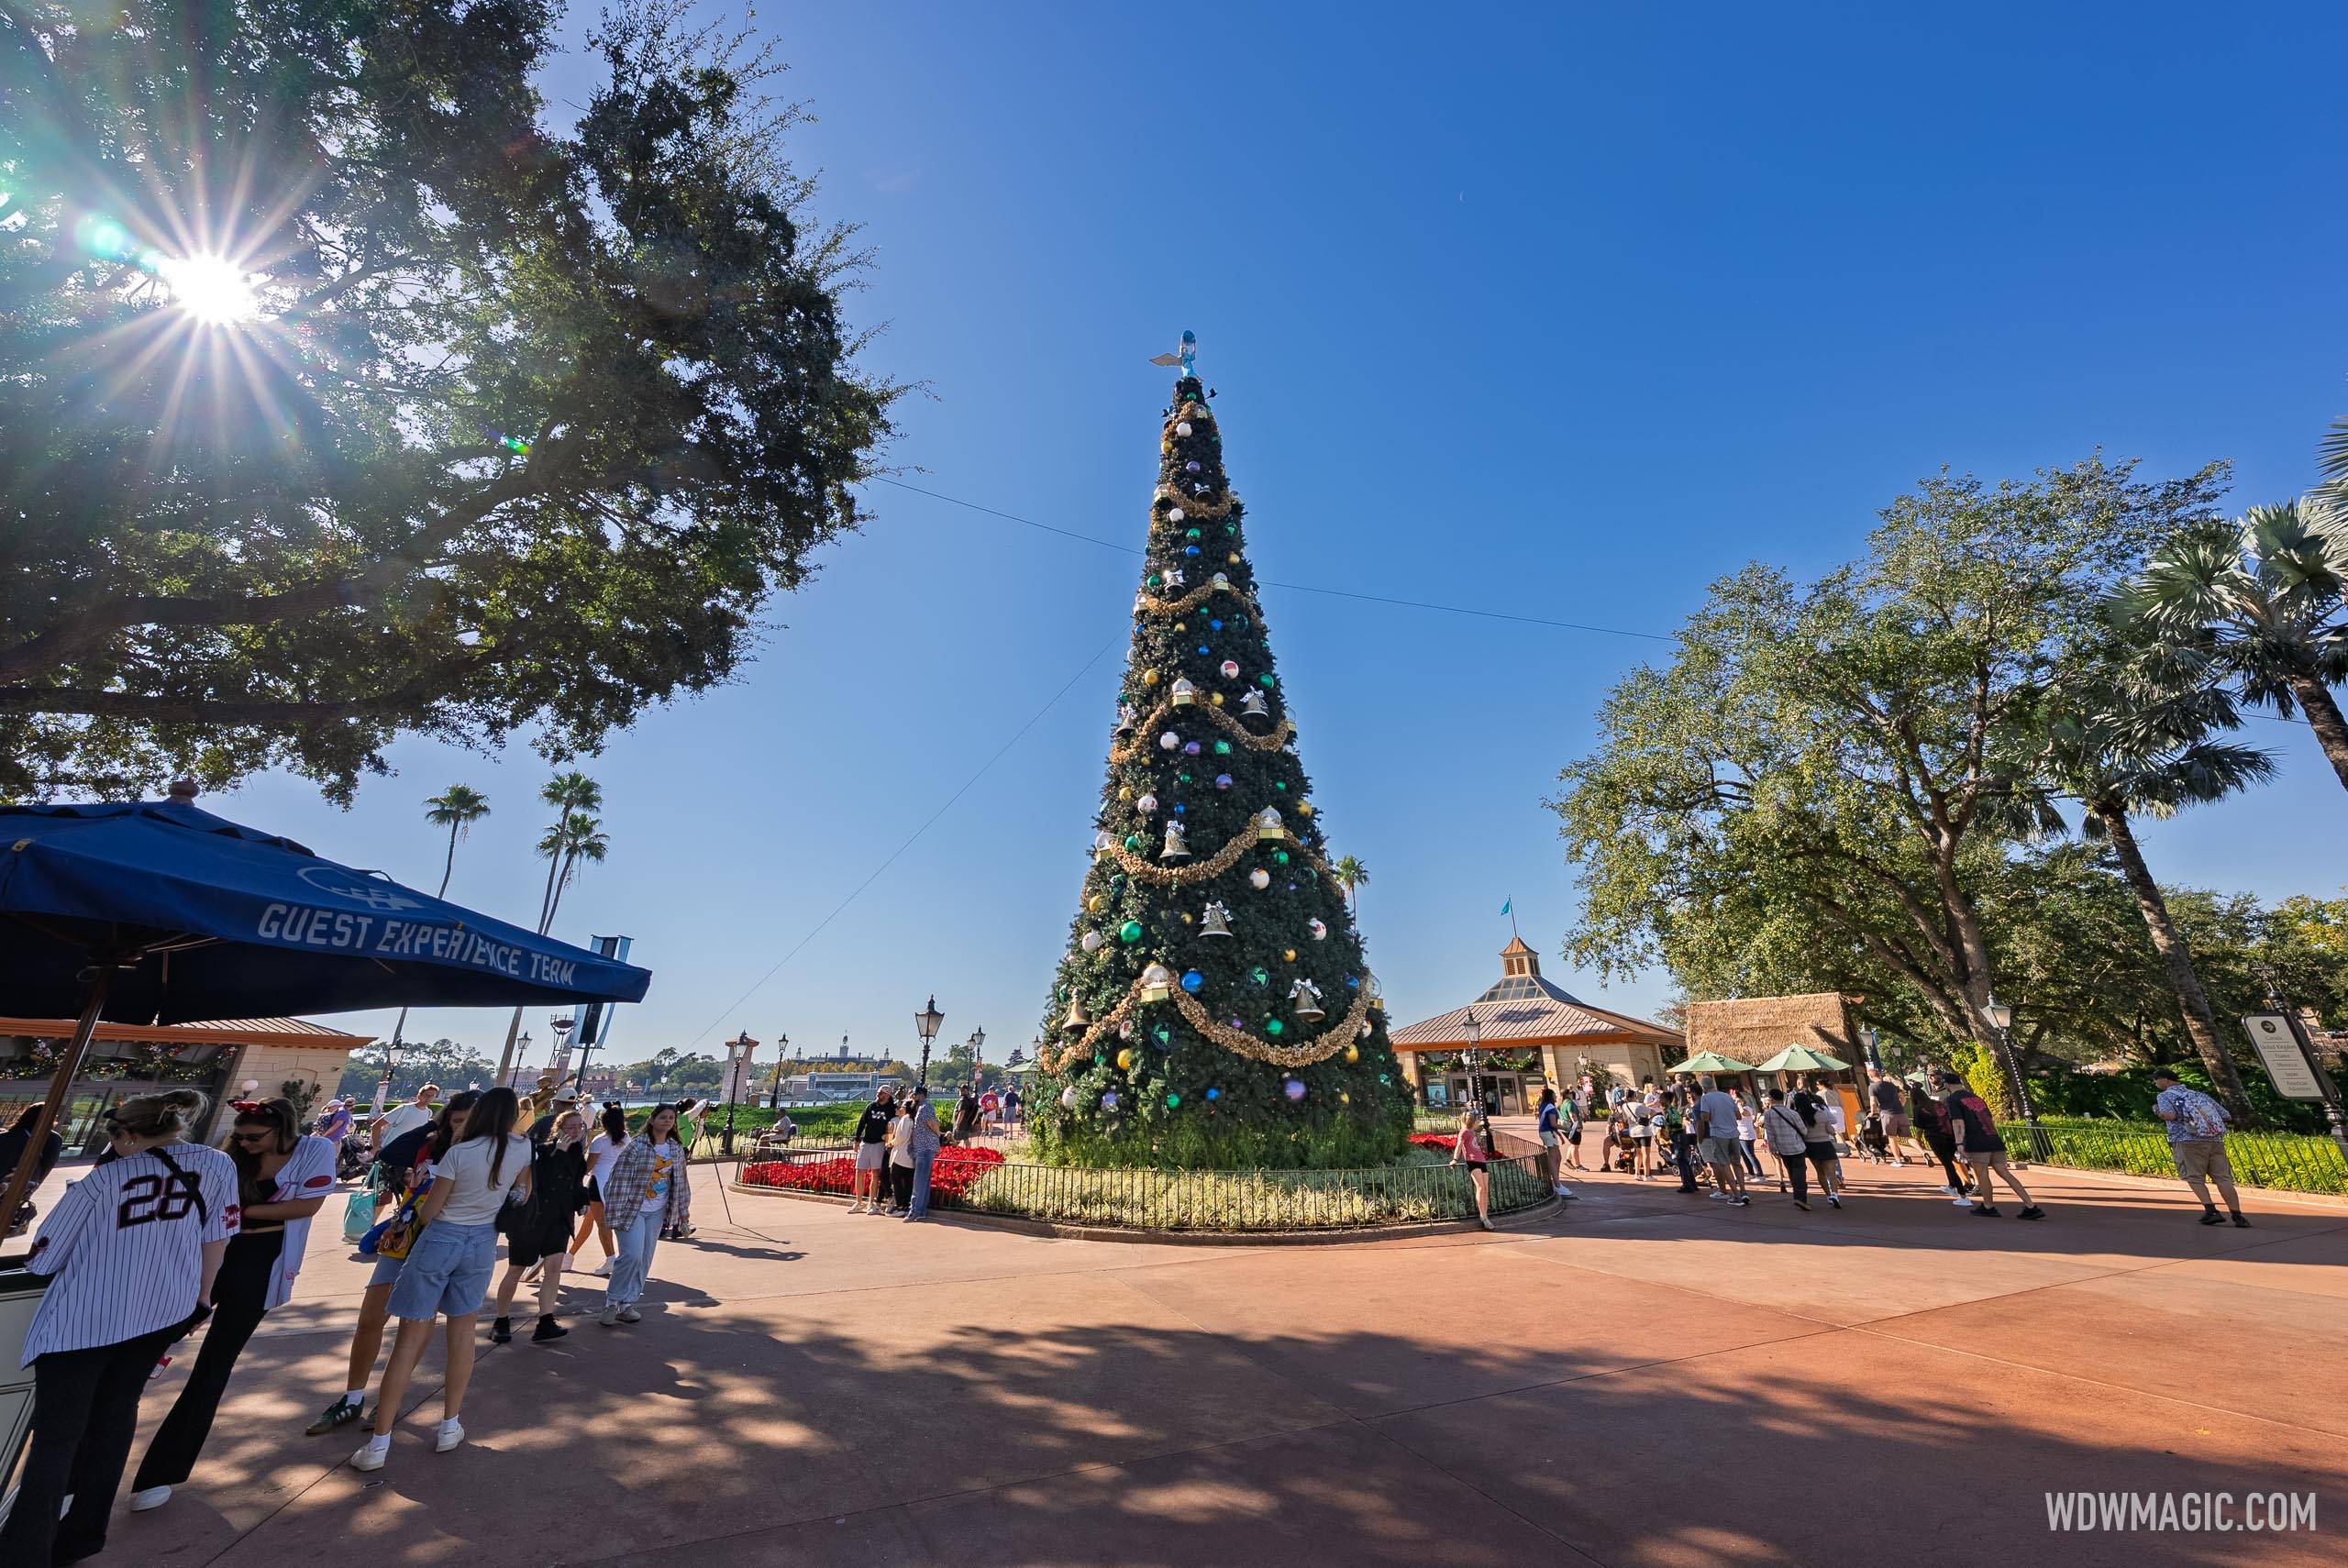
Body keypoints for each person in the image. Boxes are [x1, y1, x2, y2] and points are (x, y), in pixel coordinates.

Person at [0, 1090, 238, 1567]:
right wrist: (202, 1299)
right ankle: (83, 1535)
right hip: (163, 1312)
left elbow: (44, 1258)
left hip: (82, 1323)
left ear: (129, 1135)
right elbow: (219, 1234)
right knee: (112, 1423)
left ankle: (25, 1551)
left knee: (57, 1438)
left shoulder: (101, 1182)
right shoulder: (217, 1165)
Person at [127, 1099, 336, 1512]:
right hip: (209, 1254)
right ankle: (86, 1466)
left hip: (262, 1262)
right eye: (240, 1136)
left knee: (215, 1363)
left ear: (281, 1130)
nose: (245, 1142)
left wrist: (238, 1212)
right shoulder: (229, 1157)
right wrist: (246, 1214)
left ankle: (161, 1473)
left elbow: (306, 1207)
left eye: (254, 1137)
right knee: (144, 1346)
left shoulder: (314, 1151)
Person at [351, 1087, 531, 1470]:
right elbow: (522, 1193)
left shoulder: (459, 1153)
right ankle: (450, 1424)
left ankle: (380, 1443)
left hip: (443, 1236)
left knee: (409, 1337)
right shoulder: (521, 1148)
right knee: (463, 1334)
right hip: (483, 1241)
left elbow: (430, 1211)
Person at [305, 1088, 478, 1437]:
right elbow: (391, 1152)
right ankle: (352, 1397)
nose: (463, 1129)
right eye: (457, 1121)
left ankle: (388, 1401)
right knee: (371, 1316)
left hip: (440, 1241)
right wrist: (436, 1125)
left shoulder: (483, 1154)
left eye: (470, 1123)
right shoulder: (430, 1144)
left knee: (415, 1325)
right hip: (403, 1235)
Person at [493, 1108, 592, 1342]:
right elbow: (540, 1181)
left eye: (580, 1127)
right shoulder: (541, 1151)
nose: (576, 1132)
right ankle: (501, 1320)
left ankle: (546, 1320)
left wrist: (582, 1202)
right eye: (570, 1128)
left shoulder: (577, 1151)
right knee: (516, 1269)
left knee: (554, 1268)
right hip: (532, 1219)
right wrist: (559, 1153)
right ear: (558, 1130)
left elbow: (576, 1182)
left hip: (559, 1219)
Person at [597, 1101, 689, 1328]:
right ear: (653, 1119)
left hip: (657, 1211)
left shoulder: (675, 1148)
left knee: (645, 1257)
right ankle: (612, 1301)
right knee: (632, 1255)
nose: (667, 1121)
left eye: (671, 1118)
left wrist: (683, 1214)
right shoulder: (638, 1146)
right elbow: (618, 1178)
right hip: (633, 1208)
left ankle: (628, 1303)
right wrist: (615, 1209)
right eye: (663, 1117)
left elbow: (681, 1182)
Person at [1939, 1072, 2043, 1220]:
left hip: (1976, 1140)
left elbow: (1958, 1122)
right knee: (2004, 1172)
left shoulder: (1952, 1100)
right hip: (1993, 1138)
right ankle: (2030, 1205)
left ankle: (1988, 1206)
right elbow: (1989, 1118)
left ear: (1947, 1085)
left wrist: (1959, 1143)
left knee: (1982, 1175)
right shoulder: (1977, 1098)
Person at [2152, 1069, 2248, 1228]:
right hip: (2215, 1140)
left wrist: (2156, 1109)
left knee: (2194, 1177)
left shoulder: (2164, 1096)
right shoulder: (2200, 1095)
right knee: (2223, 1178)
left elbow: (2169, 1115)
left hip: (2187, 1141)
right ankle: (2237, 1215)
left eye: (2156, 1080)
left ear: (2165, 1080)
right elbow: (2225, 1115)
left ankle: (2211, 1211)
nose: (2155, 1083)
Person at [570, 1101, 629, 1275]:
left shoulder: (600, 1141)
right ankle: (570, 1255)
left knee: (601, 1224)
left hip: (597, 1182)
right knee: (589, 1221)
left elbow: (588, 1167)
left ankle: (611, 1258)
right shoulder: (625, 1137)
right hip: (616, 1182)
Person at [1759, 1088, 1833, 1210]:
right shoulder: (1792, 1113)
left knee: (1791, 1171)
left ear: (1771, 1099)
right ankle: (1800, 1198)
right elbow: (1803, 1130)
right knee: (1799, 1171)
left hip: (1782, 1147)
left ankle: (1797, 1194)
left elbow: (1770, 1134)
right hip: (1796, 1146)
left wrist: (1773, 1148)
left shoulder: (1768, 1114)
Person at [2, 1099, 67, 1236]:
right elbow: (46, 1169)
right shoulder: (51, 1139)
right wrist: (32, 1189)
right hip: (18, 1189)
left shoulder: (6, 1135)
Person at [1908, 1074, 1969, 1201]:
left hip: (1935, 1137)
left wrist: (1918, 1139)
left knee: (1948, 1164)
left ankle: (1962, 1195)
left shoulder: (1919, 1109)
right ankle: (1952, 1185)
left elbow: (1919, 1126)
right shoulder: (1937, 1103)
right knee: (1951, 1160)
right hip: (1949, 1135)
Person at [1694, 1076, 1750, 1205]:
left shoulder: (1705, 1098)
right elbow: (1738, 1115)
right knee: (1737, 1163)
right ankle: (1743, 1191)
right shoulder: (1727, 1096)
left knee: (1724, 1164)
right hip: (1734, 1133)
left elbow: (1706, 1117)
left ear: (1703, 1088)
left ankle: (1736, 1195)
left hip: (1718, 1134)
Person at [848, 1083, 895, 1215]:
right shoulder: (871, 1106)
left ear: (887, 1095)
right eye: (878, 1092)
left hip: (879, 1144)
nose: (878, 1095)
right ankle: (858, 1202)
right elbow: (862, 1122)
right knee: (860, 1171)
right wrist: (857, 1139)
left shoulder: (891, 1109)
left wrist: (888, 1137)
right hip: (866, 1141)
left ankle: (871, 1202)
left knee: (875, 1173)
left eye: (881, 1093)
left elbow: (893, 1125)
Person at [1450, 1106, 1496, 1231]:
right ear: (1472, 1121)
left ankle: (1485, 1215)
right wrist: (1455, 1159)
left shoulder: (1473, 1132)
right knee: (1480, 1187)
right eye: (1477, 1121)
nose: (1478, 1123)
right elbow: (1459, 1145)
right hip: (1472, 1161)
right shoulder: (1464, 1132)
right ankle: (1483, 1217)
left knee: (1485, 1188)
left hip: (1481, 1160)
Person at [903, 1085, 944, 1220]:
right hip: (923, 1147)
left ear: (921, 1095)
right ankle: (921, 1211)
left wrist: (939, 1135)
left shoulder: (925, 1107)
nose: (912, 1097)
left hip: (925, 1147)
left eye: (914, 1095)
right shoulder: (921, 1107)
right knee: (924, 1180)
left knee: (919, 1180)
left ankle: (915, 1210)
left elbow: (932, 1123)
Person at [1867, 1068, 1923, 1165]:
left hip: (1887, 1114)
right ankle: (1923, 1152)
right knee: (1908, 1137)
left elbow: (1873, 1103)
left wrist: (1872, 1112)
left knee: (1892, 1137)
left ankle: (1898, 1160)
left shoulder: (1872, 1087)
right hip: (1901, 1113)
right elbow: (1903, 1098)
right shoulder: (1892, 1085)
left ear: (1871, 1076)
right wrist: (1899, 1107)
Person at [371, 1083, 439, 1154]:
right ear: (419, 1096)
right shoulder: (404, 1109)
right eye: (427, 1095)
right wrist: (376, 1146)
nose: (429, 1098)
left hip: (406, 1153)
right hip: (388, 1149)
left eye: (432, 1096)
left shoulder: (428, 1113)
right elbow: (376, 1125)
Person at [1731, 1088, 1764, 1177]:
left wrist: (1740, 1105)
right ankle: (1751, 1173)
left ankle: (1760, 1174)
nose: (1734, 1101)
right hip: (1740, 1135)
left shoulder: (1747, 1108)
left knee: (1750, 1155)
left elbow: (1744, 1114)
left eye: (1736, 1099)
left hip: (1747, 1135)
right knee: (1744, 1155)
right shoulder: (1736, 1110)